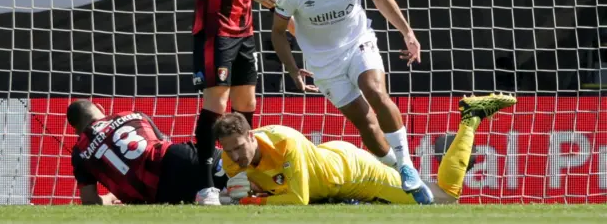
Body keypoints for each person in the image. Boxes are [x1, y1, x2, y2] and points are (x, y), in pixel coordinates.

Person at [270, 0, 432, 203]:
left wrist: (407, 32)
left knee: (375, 92)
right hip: (324, 65)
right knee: (366, 123)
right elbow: (277, 31)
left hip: (358, 43)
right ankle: (400, 173)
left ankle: (406, 163)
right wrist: (293, 68)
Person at [215, 93, 517, 205]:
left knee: (443, 201)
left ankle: (470, 117)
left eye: (240, 148)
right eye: (230, 152)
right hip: (330, 161)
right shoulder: (231, 162)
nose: (237, 156)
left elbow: (297, 199)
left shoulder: (285, 142)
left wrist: (244, 203)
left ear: (251, 136)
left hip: (355, 172)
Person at [191, 0, 284, 205]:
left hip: (244, 30)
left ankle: (241, 180)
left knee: (247, 105)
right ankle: (205, 188)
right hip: (217, 30)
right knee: (216, 105)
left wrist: (280, 11)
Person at [67, 100, 227, 205]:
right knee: (239, 172)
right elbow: (164, 143)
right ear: (100, 108)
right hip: (177, 160)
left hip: (160, 195)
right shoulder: (130, 114)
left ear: (77, 131)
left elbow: (90, 202)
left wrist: (110, 197)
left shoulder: (80, 151)